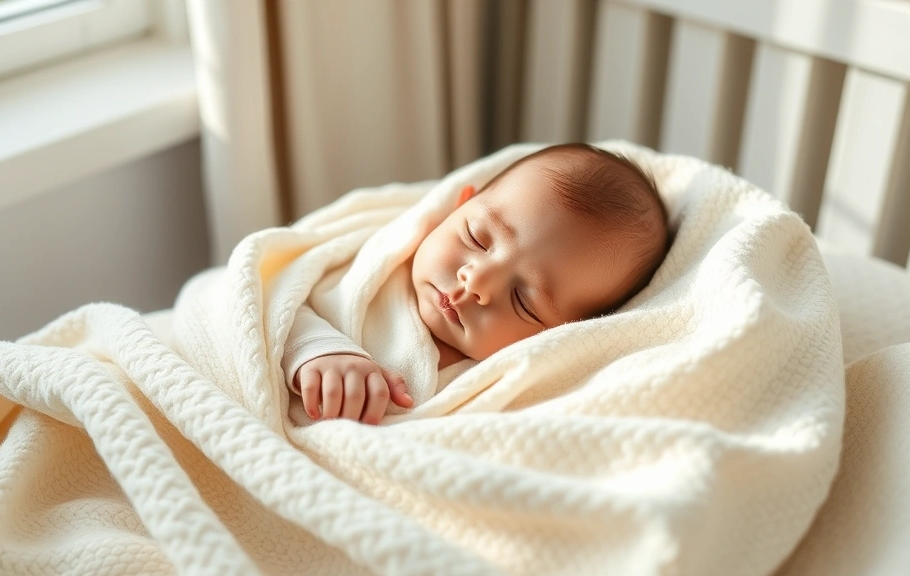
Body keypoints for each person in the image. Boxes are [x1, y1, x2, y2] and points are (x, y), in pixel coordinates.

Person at [280, 143, 669, 424]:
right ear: (459, 204)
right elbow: (280, 297)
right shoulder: (374, 271)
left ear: (564, 332)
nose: (477, 281)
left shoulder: (505, 386)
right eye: (477, 238)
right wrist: (319, 350)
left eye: (523, 300)